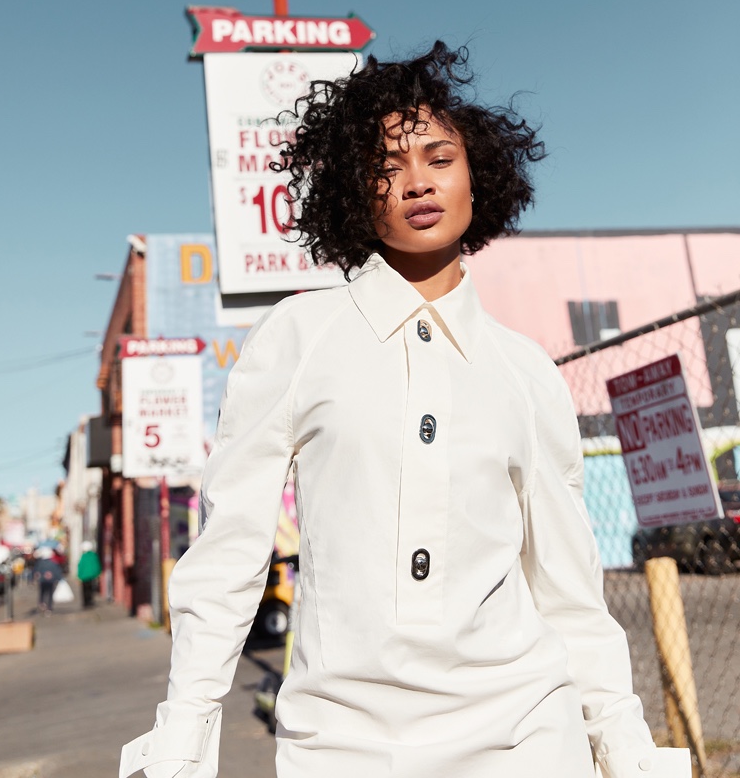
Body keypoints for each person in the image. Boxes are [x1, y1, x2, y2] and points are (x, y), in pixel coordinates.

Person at [121, 43, 690, 778]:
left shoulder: (526, 372)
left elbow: (568, 590)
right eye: (386, 166)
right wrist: (184, 732)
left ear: (478, 176)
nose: (416, 181)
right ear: (357, 196)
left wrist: (622, 747)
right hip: (343, 743)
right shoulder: (297, 338)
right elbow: (229, 550)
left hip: (528, 735)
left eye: (439, 157)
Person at [34, 548, 61, 614]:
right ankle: (49, 607)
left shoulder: (39, 563)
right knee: (50, 594)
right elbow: (57, 572)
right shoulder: (53, 563)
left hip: (42, 581)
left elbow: (36, 571)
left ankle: (42, 604)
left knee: (42, 593)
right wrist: (58, 579)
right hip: (51, 582)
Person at [77, 541, 102, 608]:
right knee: (91, 589)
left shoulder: (84, 556)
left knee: (85, 590)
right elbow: (97, 565)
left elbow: (80, 566)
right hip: (92, 576)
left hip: (84, 577)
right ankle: (90, 601)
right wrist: (98, 573)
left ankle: (86, 602)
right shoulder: (93, 556)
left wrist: (79, 576)